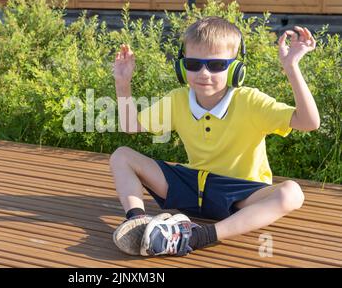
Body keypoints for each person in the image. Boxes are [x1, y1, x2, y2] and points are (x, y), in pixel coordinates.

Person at [110, 16, 320, 257]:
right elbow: (130, 125)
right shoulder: (178, 99)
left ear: (235, 68)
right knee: (122, 156)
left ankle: (198, 236)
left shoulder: (250, 101)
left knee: (292, 193)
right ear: (181, 66)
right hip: (192, 185)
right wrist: (122, 83)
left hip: (241, 196)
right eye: (193, 63)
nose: (204, 73)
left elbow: (309, 122)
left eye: (217, 65)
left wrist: (292, 67)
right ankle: (138, 222)